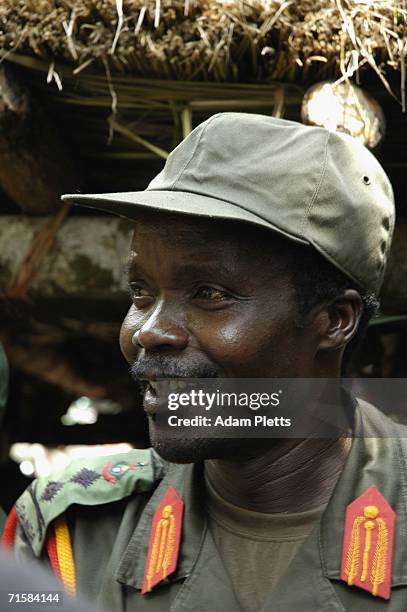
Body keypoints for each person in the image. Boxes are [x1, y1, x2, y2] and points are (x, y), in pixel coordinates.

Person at [4, 114, 406, 611]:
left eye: (209, 293)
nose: (148, 330)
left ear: (334, 321)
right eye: (141, 292)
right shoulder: (69, 536)